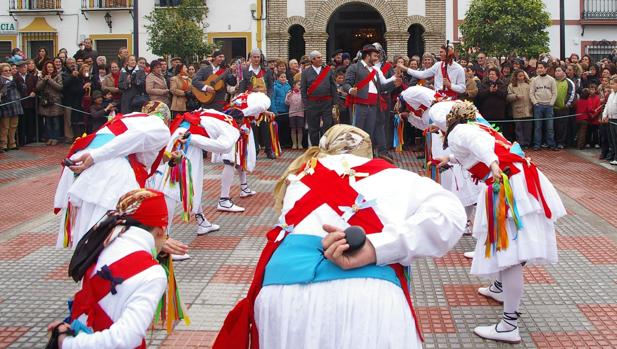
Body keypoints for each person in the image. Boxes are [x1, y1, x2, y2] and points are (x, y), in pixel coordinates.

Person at [212, 124, 466, 349]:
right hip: (368, 296)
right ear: (369, 152)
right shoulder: (399, 176)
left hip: (280, 294)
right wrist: (377, 247)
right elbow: (451, 214)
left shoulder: (297, 176)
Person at [437, 101, 566, 344]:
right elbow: (477, 147)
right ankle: (498, 288)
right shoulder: (479, 127)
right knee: (513, 249)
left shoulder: (459, 131)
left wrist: (493, 164)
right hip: (520, 179)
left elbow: (480, 147)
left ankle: (508, 325)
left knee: (510, 256)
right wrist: (452, 158)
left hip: (507, 186)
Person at [46, 189, 170, 349]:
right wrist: (67, 343)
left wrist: (66, 329)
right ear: (160, 231)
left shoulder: (102, 244)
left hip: (83, 333)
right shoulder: (152, 273)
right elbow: (126, 339)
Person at [53, 101, 171, 249]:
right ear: (167, 120)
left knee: (87, 228)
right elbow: (141, 136)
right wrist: (96, 156)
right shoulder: (159, 126)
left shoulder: (130, 118)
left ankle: (86, 266)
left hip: (89, 165)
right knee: (109, 232)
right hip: (109, 169)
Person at [149, 108, 240, 260]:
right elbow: (224, 146)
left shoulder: (214, 114)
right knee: (173, 187)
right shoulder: (232, 129)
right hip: (185, 142)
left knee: (192, 185)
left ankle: (202, 221)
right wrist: (194, 139)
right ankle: (163, 242)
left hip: (183, 137)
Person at [213, 92, 272, 212]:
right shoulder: (254, 104)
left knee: (240, 159)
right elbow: (250, 111)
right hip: (235, 130)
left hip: (238, 129)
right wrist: (262, 110)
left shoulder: (242, 98)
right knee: (230, 161)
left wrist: (263, 112)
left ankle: (244, 187)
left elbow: (248, 111)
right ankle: (224, 199)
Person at [342, 45, 398, 154]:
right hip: (359, 106)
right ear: (367, 56)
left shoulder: (375, 70)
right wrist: (350, 90)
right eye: (375, 56)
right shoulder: (354, 67)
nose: (377, 58)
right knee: (357, 133)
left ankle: (368, 155)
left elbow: (380, 88)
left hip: (373, 107)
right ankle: (356, 156)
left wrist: (394, 84)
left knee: (369, 133)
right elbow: (346, 83)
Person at [238, 48, 276, 159]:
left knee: (266, 126)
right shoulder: (245, 71)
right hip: (251, 103)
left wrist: (268, 98)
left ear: (261, 57)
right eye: (254, 57)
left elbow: (271, 86)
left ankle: (269, 150)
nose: (256, 59)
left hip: (263, 103)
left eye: (258, 57)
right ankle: (254, 149)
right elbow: (241, 88)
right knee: (253, 127)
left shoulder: (267, 71)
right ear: (250, 58)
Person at [301, 50, 336, 147]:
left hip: (327, 103)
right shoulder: (305, 72)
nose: (321, 59)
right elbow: (303, 89)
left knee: (327, 126)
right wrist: (306, 103)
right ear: (312, 60)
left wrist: (335, 103)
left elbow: (333, 87)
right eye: (318, 57)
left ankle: (325, 147)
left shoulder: (328, 70)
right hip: (312, 104)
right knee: (313, 128)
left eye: (321, 57)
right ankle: (315, 148)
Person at [530, 61, 557, 150]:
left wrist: (551, 103)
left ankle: (551, 144)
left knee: (550, 127)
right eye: (538, 68)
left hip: (549, 106)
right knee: (538, 127)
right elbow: (531, 93)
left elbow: (554, 93)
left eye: (542, 68)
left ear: (546, 69)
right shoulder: (534, 80)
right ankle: (537, 145)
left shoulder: (551, 80)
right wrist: (535, 103)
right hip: (538, 106)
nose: (540, 69)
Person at [36, 61, 64, 145]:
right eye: (48, 67)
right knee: (47, 121)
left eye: (51, 67)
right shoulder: (41, 76)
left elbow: (60, 87)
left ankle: (55, 138)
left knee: (55, 121)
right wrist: (44, 80)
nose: (50, 68)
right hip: (46, 102)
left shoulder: (58, 76)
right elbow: (38, 87)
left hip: (55, 101)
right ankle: (50, 137)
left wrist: (50, 80)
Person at [0, 63, 24, 152]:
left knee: (14, 125)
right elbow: (2, 92)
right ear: (1, 72)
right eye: (5, 71)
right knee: (5, 127)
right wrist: (7, 85)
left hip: (15, 104)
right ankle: (3, 144)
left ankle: (12, 143)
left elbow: (22, 88)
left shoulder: (15, 78)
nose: (8, 72)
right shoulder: (1, 80)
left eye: (9, 70)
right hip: (6, 105)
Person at [507, 70, 533, 148]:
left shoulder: (528, 85)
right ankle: (520, 143)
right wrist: (515, 96)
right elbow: (508, 97)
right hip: (517, 110)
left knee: (528, 128)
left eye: (523, 76)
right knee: (519, 128)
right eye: (520, 76)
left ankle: (527, 143)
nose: (522, 77)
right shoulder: (511, 86)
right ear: (516, 77)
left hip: (528, 110)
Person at [553, 66, 576, 149]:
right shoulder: (553, 81)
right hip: (553, 108)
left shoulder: (569, 82)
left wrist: (566, 105)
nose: (557, 72)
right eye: (556, 70)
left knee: (562, 127)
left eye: (559, 70)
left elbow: (572, 94)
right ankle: (554, 142)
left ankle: (561, 142)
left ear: (564, 72)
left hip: (563, 109)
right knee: (554, 126)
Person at [16, 60, 38, 145]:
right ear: (18, 68)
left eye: (25, 67)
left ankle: (30, 138)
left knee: (30, 121)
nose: (24, 68)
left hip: (30, 103)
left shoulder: (31, 76)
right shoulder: (15, 77)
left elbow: (36, 85)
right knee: (21, 123)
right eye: (22, 67)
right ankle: (22, 140)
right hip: (20, 103)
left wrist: (34, 91)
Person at [271, 72, 292, 148]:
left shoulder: (288, 86)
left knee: (286, 128)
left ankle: (286, 143)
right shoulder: (275, 87)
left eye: (284, 77)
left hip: (287, 110)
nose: (283, 78)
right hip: (279, 111)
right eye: (281, 77)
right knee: (279, 128)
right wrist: (274, 111)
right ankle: (280, 143)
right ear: (278, 78)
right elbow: (272, 99)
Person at [602, 76, 617, 165]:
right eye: (610, 84)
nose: (611, 86)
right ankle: (615, 156)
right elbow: (607, 105)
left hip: (616, 120)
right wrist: (604, 115)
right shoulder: (611, 94)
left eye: (613, 84)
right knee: (613, 139)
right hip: (611, 119)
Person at [285, 80, 304, 149]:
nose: (300, 86)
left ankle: (299, 144)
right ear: (294, 85)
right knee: (293, 128)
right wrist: (288, 97)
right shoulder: (290, 93)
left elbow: (305, 103)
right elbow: (287, 103)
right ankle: (294, 144)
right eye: (298, 84)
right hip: (292, 113)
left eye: (300, 85)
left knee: (299, 128)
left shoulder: (302, 93)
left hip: (300, 113)